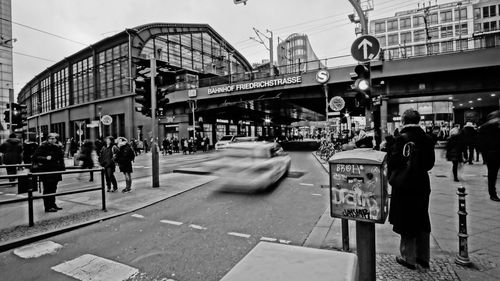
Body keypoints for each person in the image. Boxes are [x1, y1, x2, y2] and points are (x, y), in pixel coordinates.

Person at [388, 109, 435, 270]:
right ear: (419, 120)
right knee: (422, 217)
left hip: (405, 184)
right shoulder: (427, 139)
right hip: (422, 183)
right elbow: (430, 164)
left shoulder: (401, 138)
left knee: (406, 219)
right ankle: (423, 257)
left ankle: (408, 257)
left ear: (402, 120)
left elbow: (394, 162)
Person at [32, 133, 65, 212]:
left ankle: (53, 204)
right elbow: (35, 157)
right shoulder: (43, 147)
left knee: (53, 188)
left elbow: (60, 159)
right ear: (48, 139)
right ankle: (48, 207)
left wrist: (62, 167)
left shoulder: (57, 147)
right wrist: (46, 158)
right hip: (46, 170)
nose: (54, 140)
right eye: (52, 138)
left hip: (55, 170)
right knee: (47, 189)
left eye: (55, 138)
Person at [478, 110, 500, 202]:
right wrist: (485, 154)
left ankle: (493, 193)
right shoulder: (485, 128)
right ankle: (492, 193)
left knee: (492, 174)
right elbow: (481, 142)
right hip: (492, 154)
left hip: (492, 153)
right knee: (492, 174)